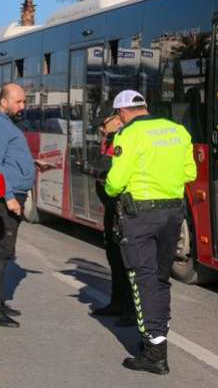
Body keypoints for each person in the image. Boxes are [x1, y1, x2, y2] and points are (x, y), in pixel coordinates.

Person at [104, 90, 196, 375]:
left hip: (140, 216)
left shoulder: (128, 135)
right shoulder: (178, 131)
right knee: (160, 278)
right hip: (173, 214)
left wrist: (109, 188)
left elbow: (115, 182)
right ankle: (159, 336)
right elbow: (190, 173)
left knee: (141, 279)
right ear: (145, 106)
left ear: (122, 113)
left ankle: (154, 352)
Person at [0, 83, 35, 328]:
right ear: (4, 101)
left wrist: (32, 164)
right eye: (19, 102)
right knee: (1, 251)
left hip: (9, 194)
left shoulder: (4, 123)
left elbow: (8, 157)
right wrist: (10, 196)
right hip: (3, 198)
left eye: (24, 102)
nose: (22, 106)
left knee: (3, 250)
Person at [91, 114, 134, 326]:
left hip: (122, 206)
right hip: (111, 206)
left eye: (104, 123)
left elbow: (116, 173)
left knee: (126, 260)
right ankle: (117, 303)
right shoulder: (108, 140)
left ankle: (130, 310)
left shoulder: (123, 139)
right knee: (114, 257)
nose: (102, 128)